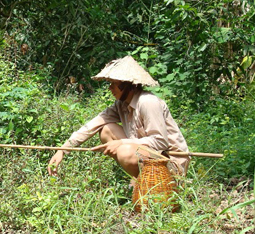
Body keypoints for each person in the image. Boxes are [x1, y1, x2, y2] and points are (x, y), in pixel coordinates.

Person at [47, 55, 190, 178]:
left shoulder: (147, 102)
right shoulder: (121, 105)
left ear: (129, 85)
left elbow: (160, 142)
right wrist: (62, 150)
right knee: (106, 130)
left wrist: (122, 143)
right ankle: (139, 178)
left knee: (124, 151)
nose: (110, 88)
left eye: (114, 84)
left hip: (170, 163)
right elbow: (92, 125)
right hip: (147, 155)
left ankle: (147, 184)